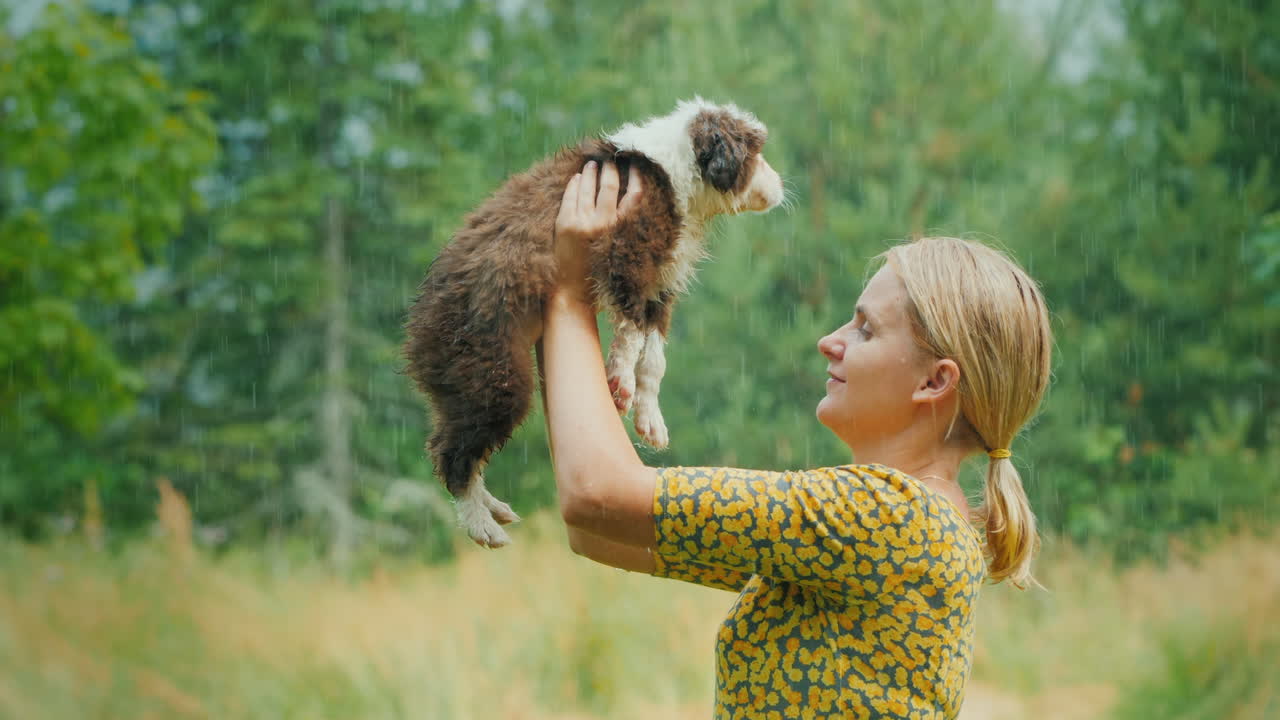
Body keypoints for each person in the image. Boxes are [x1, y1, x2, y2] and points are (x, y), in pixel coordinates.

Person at [539, 159, 1052, 719]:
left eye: (865, 329)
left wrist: (569, 294)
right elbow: (599, 532)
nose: (829, 341)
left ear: (935, 382)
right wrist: (561, 328)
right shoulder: (896, 529)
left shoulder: (886, 516)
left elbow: (595, 494)